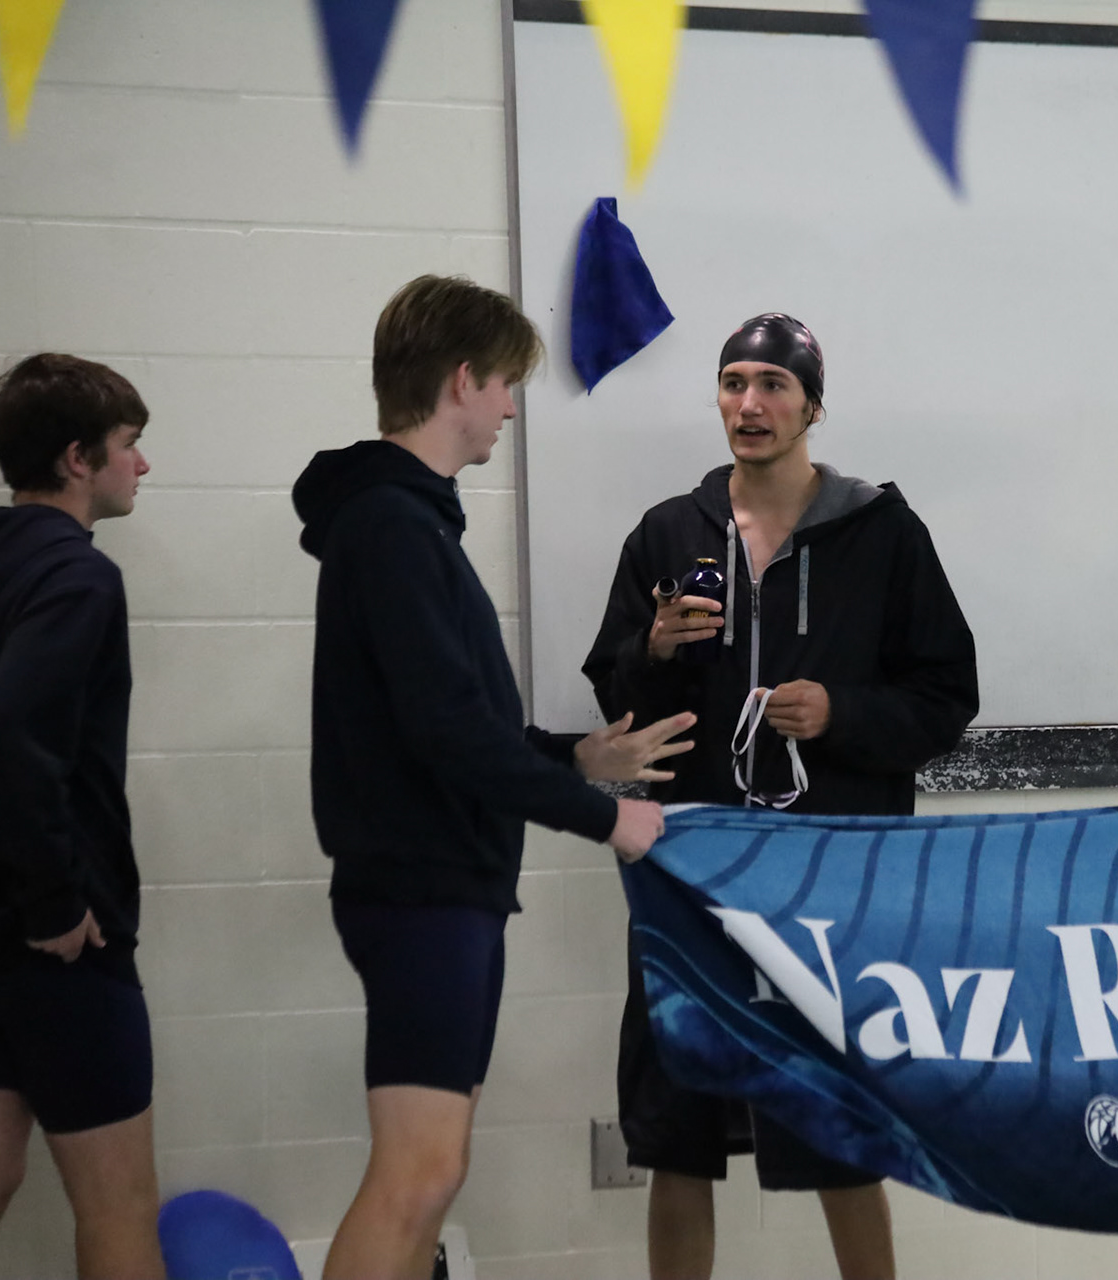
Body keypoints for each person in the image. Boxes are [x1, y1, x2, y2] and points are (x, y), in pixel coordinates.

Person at [293, 275, 688, 1280]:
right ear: (463, 380)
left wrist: (573, 757)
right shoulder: (390, 523)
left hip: (449, 883)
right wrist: (608, 819)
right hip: (419, 885)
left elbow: (457, 722)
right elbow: (446, 734)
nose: (512, 408)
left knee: (436, 1171)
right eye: (506, 383)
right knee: (416, 1173)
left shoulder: (414, 521)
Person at [584, 312, 979, 1280]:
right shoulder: (667, 533)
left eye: (772, 385)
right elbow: (618, 704)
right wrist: (652, 651)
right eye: (733, 383)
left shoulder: (882, 534)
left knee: (842, 1129)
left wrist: (842, 711)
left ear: (812, 406)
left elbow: (946, 695)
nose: (750, 404)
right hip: (692, 873)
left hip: (828, 886)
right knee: (675, 1135)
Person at [0, 354, 162, 1279]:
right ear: (79, 458)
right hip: (58, 949)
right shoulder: (77, 575)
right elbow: (6, 734)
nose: (142, 465)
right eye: (129, 444)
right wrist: (53, 902)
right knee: (118, 1205)